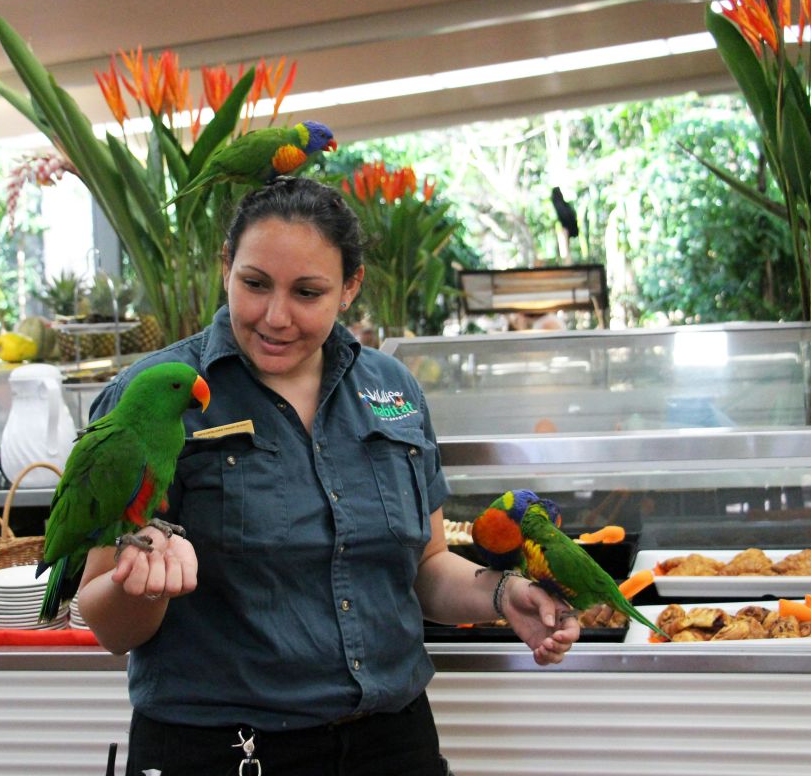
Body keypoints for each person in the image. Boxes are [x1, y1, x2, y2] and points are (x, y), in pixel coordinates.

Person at [77, 177, 578, 776]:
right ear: (226, 266)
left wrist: (501, 594)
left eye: (308, 292)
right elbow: (107, 621)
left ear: (350, 288)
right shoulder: (150, 397)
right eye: (254, 284)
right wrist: (146, 582)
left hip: (392, 744)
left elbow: (426, 566)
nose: (275, 316)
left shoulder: (392, 388)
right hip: (228, 751)